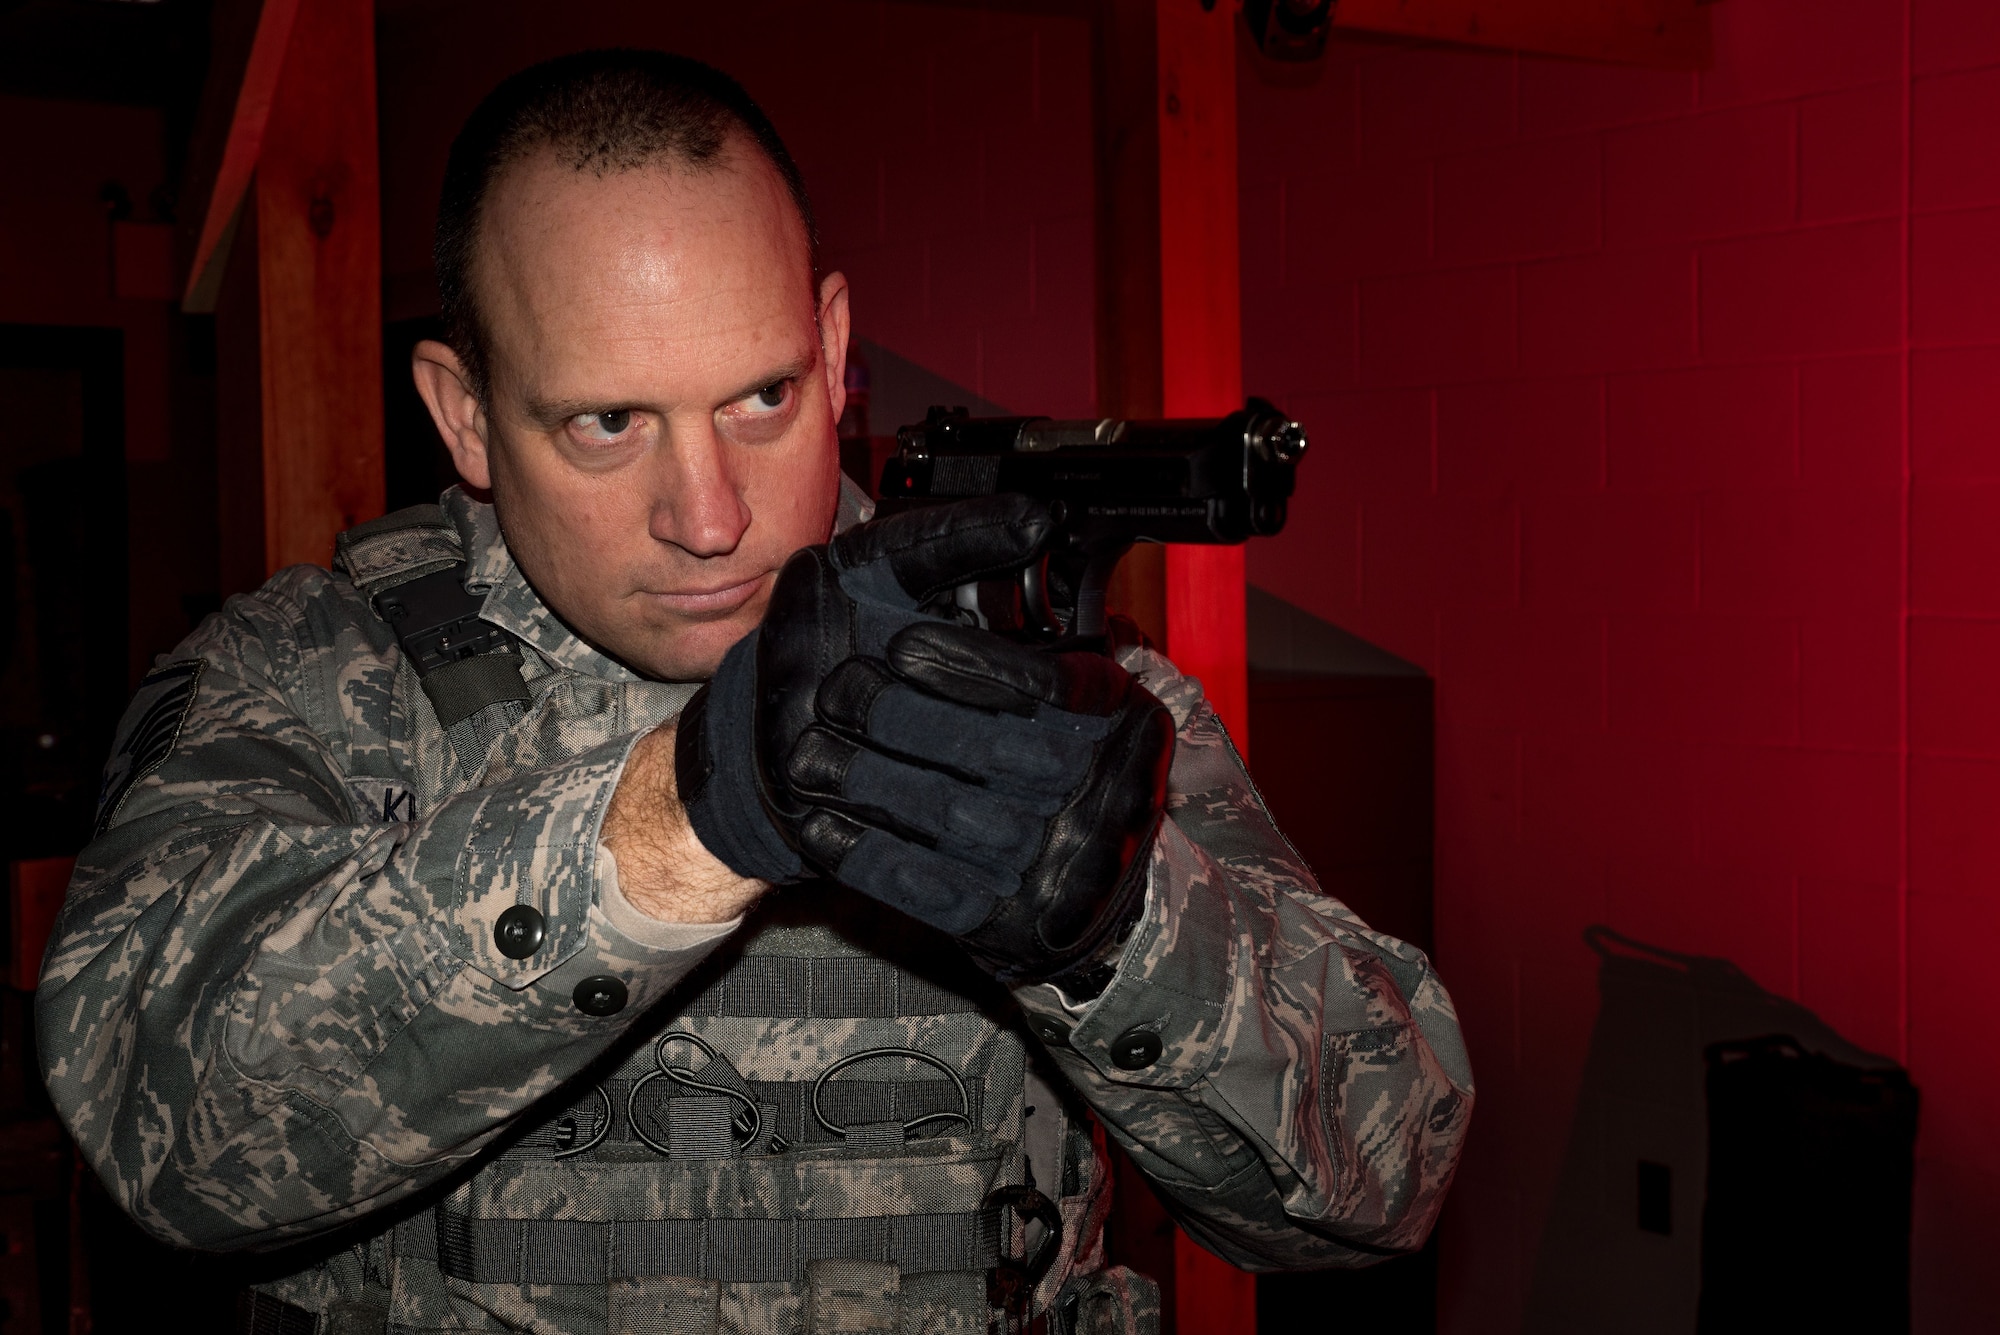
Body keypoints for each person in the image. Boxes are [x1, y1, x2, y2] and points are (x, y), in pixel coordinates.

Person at [37, 50, 1471, 1335]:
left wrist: (1125, 931)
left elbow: (1385, 1186)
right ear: (464, 414)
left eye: (763, 399)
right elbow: (157, 1128)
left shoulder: (1044, 703)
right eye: (609, 423)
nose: (711, 514)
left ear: (837, 349)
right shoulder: (312, 683)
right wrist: (677, 817)